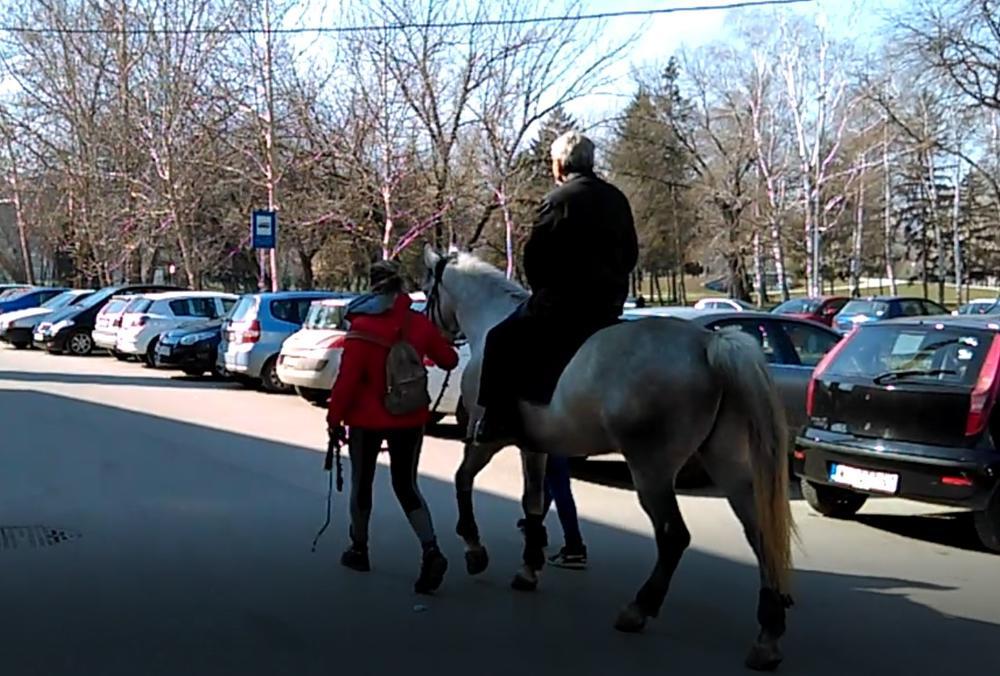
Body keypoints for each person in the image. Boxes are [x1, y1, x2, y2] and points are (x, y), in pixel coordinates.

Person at [474, 130, 639, 444]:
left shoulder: (558, 200)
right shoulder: (616, 197)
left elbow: (536, 257)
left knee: (499, 339)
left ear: (561, 164)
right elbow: (631, 253)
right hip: (609, 305)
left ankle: (495, 420)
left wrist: (542, 291)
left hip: (564, 305)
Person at [326, 259, 459, 595]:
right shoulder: (417, 323)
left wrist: (334, 420)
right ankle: (431, 549)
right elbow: (450, 360)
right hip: (410, 417)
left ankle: (359, 549)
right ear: (401, 286)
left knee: (362, 484)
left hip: (365, 419)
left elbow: (348, 380)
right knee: (406, 485)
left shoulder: (362, 326)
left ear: (372, 287)